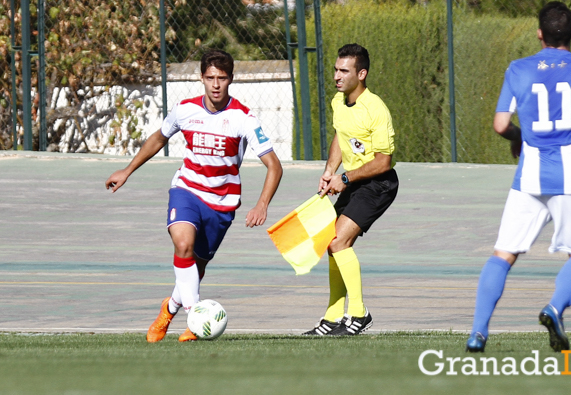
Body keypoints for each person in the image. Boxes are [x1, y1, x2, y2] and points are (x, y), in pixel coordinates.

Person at [465, 2, 571, 353]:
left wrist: (519, 138)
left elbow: (501, 124)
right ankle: (554, 308)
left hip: (529, 177)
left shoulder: (518, 69)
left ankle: (478, 332)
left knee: (503, 254)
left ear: (539, 34)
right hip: (570, 178)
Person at [105, 49, 283, 343]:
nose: (216, 84)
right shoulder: (185, 109)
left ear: (231, 79)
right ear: (201, 78)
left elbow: (274, 166)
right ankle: (196, 315)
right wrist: (127, 170)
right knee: (183, 243)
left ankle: (169, 308)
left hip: (222, 204)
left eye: (222, 78)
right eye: (210, 77)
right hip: (186, 190)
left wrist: (262, 204)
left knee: (194, 268)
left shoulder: (243, 119)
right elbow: (158, 138)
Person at [303, 43, 398, 336]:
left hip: (378, 185)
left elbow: (383, 162)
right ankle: (333, 317)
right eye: (335, 69)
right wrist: (329, 171)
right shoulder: (338, 102)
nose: (337, 76)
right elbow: (340, 137)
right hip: (354, 182)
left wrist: (343, 180)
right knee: (333, 245)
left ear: (362, 73)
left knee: (337, 242)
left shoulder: (376, 109)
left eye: (344, 71)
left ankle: (358, 313)